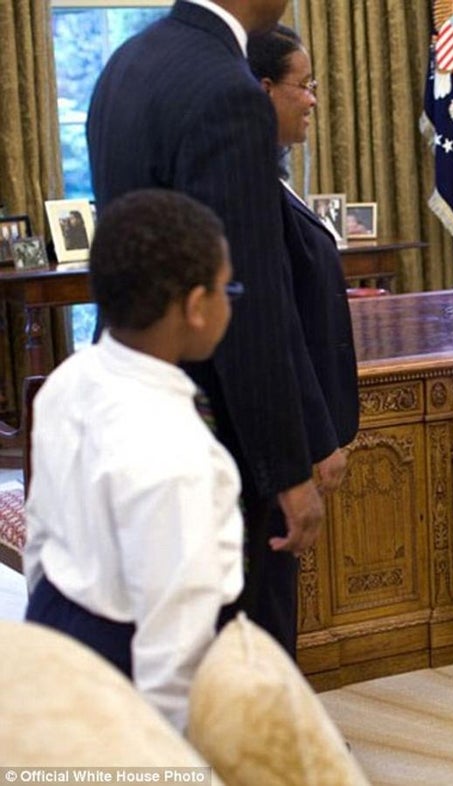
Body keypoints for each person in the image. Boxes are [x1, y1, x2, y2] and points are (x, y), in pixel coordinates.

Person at [86, 0, 326, 654]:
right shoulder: (227, 90)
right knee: (240, 647)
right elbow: (247, 297)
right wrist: (287, 468)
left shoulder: (128, 63)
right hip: (214, 427)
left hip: (134, 398)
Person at [23, 188, 243, 732]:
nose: (230, 302)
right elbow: (175, 632)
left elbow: (40, 534)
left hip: (54, 616)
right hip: (129, 658)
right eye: (226, 288)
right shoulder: (176, 451)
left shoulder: (68, 380)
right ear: (195, 307)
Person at [247, 23, 357, 637]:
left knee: (279, 601)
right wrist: (315, 439)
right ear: (264, 90)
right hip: (281, 441)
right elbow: (278, 330)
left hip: (295, 432)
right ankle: (277, 732)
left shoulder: (272, 176)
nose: (314, 99)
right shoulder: (251, 188)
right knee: (267, 605)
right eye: (304, 85)